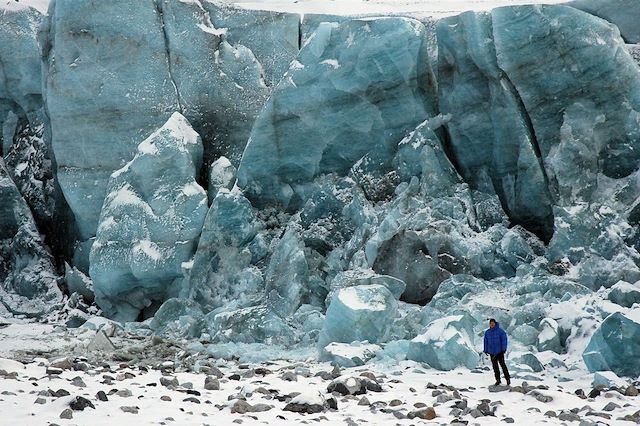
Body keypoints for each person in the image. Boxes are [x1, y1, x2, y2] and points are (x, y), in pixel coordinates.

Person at [483, 318, 510, 386]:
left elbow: (504, 340)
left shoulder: (500, 331)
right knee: (495, 367)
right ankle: (498, 380)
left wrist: (503, 349)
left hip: (499, 351)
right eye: (490, 323)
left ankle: (508, 379)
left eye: (493, 323)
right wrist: (486, 350)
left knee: (503, 365)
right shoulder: (487, 332)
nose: (492, 325)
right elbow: (485, 341)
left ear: (495, 323)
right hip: (492, 352)